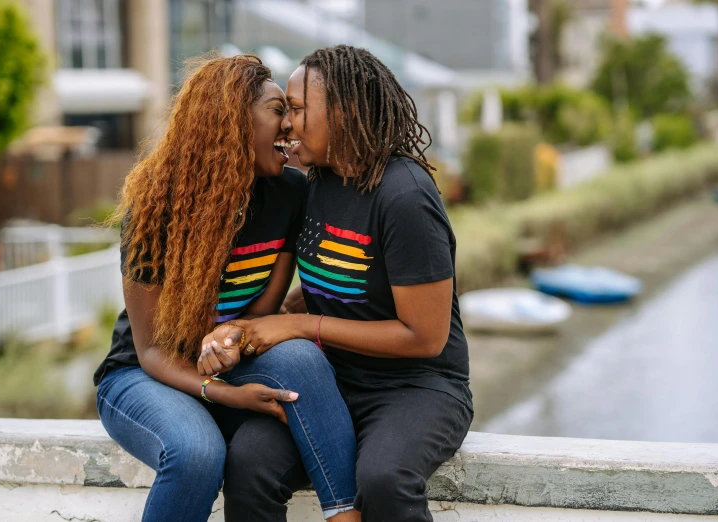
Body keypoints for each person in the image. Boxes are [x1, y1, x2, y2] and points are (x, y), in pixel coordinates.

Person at [210, 45, 473, 522]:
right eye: (283, 109)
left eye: (296, 108)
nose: (285, 123)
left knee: (384, 481)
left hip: (417, 388)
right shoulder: (316, 183)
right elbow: (339, 283)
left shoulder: (404, 195)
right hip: (331, 383)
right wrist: (260, 323)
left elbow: (426, 336)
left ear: (345, 110)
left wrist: (299, 325)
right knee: (248, 464)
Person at [93, 54, 358, 522]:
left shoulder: (290, 194)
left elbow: (259, 313)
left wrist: (231, 341)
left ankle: (344, 513)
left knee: (301, 356)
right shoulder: (155, 208)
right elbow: (153, 351)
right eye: (279, 109)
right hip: (144, 375)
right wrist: (227, 394)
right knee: (197, 453)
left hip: (229, 362)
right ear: (233, 118)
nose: (289, 127)